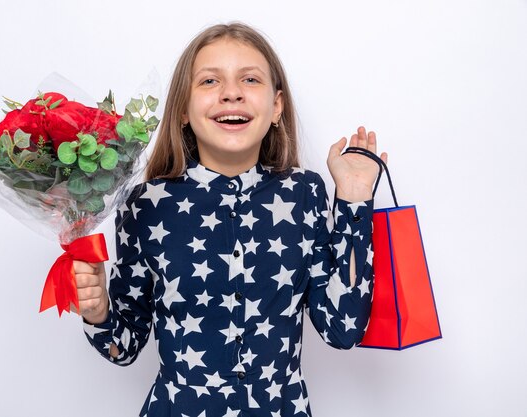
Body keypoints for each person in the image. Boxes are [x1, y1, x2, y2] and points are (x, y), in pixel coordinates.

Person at [75, 22, 387, 417]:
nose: (232, 93)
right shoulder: (144, 205)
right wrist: (99, 311)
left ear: (276, 107)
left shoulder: (305, 194)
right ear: (183, 110)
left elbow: (343, 329)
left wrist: (354, 201)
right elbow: (123, 348)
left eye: (250, 79)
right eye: (209, 81)